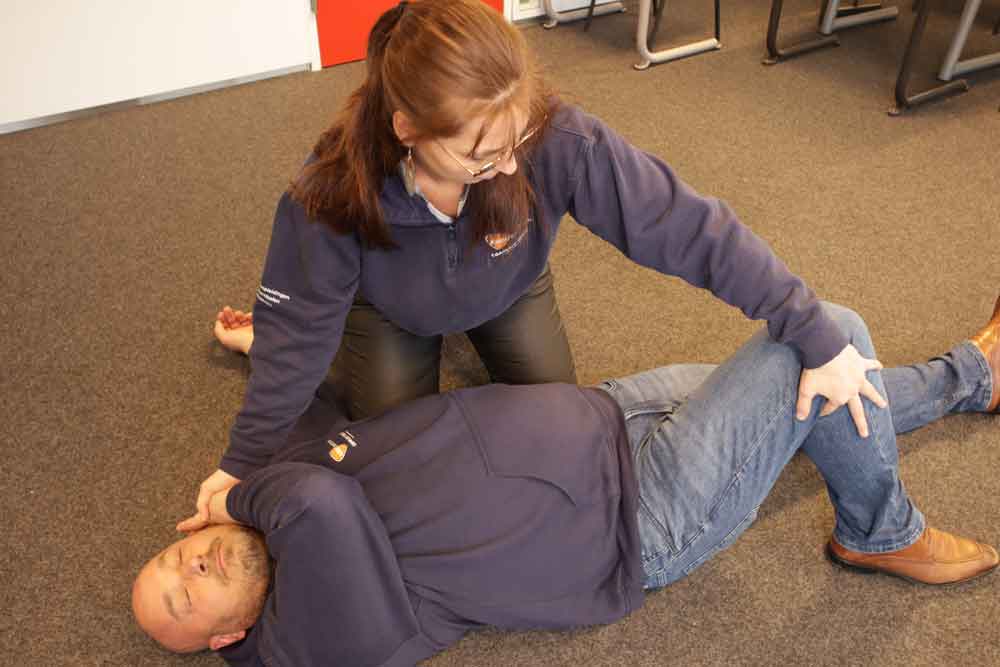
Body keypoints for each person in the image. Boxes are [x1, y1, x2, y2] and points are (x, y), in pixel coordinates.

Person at [187, 0, 887, 529]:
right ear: (408, 129)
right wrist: (241, 462)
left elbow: (692, 228)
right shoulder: (332, 192)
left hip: (509, 284)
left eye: (518, 138)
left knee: (560, 437)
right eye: (482, 155)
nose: (513, 165)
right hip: (389, 307)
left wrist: (813, 332)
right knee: (398, 471)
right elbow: (298, 339)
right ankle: (267, 337)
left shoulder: (556, 137)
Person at [135, 300, 1000, 665]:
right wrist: (241, 492)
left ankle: (972, 376)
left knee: (823, 387)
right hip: (641, 514)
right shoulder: (306, 638)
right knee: (823, 335)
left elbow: (316, 413)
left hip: (604, 416)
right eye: (183, 601)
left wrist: (263, 354)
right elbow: (323, 504)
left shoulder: (268, 503)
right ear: (225, 637)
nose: (192, 570)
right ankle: (881, 531)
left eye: (171, 563)